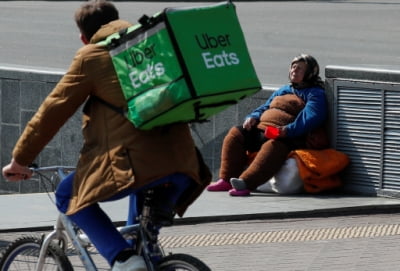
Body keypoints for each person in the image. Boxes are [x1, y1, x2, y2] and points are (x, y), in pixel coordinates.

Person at [2, 1, 211, 271]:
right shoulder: (154, 47)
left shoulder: (92, 55)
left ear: (83, 37)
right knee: (142, 240)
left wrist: (20, 159)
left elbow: (51, 112)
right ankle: (150, 260)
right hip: (185, 164)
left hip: (136, 163)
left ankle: (122, 259)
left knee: (68, 194)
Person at [206, 54, 328, 196]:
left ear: (310, 73)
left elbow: (311, 117)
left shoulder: (315, 93)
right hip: (263, 129)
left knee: (272, 147)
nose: (294, 70)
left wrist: (287, 130)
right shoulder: (284, 90)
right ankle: (226, 179)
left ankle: (246, 183)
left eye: (300, 69)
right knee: (235, 134)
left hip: (287, 136)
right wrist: (253, 117)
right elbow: (265, 107)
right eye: (293, 67)